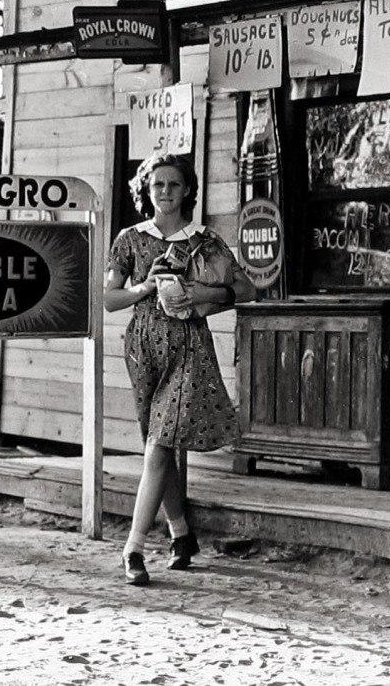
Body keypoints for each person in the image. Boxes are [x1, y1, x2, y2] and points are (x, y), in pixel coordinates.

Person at [103, 152, 256, 586]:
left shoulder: (203, 240)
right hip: (143, 348)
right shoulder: (130, 239)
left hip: (188, 345)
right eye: (157, 185)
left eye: (173, 184)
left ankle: (133, 549)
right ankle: (182, 534)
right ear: (146, 192)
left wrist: (201, 292)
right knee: (159, 443)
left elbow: (245, 288)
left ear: (187, 189)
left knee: (159, 443)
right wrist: (145, 286)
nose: (165, 192)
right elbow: (108, 299)